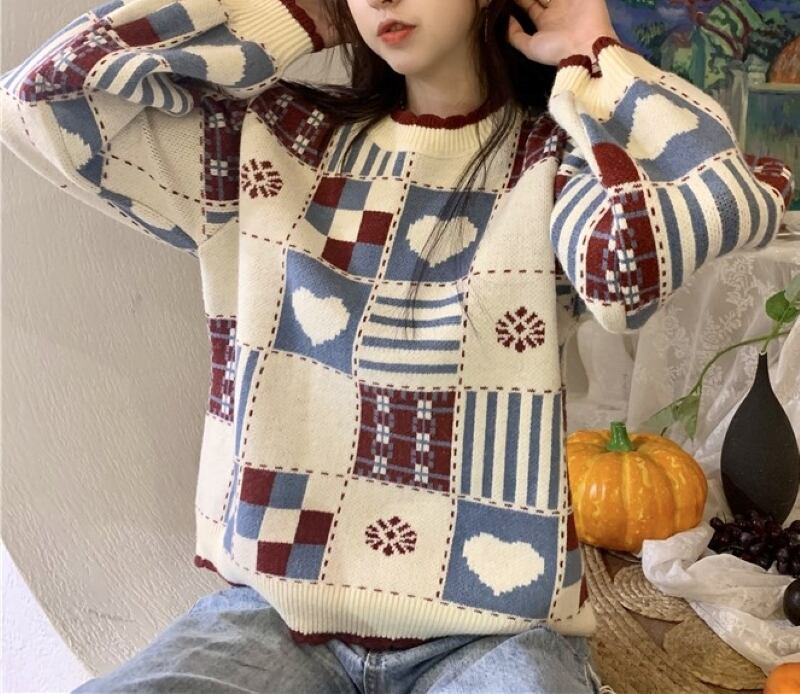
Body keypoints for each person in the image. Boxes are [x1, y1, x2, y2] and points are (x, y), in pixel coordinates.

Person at [0, 0, 792, 691]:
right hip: (277, 619)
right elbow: (48, 98)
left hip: (489, 632)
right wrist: (299, 13)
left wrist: (595, 51)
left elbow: (703, 213)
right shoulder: (274, 141)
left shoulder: (550, 163)